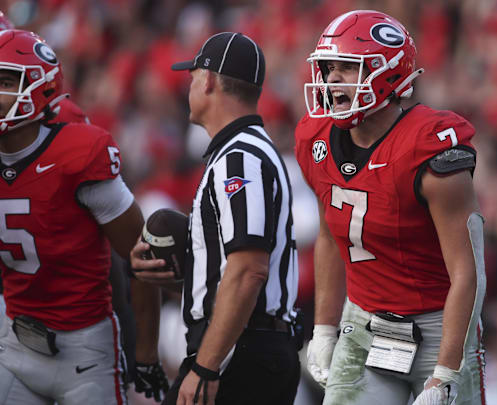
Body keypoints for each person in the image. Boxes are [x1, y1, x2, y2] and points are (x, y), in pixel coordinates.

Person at [296, 10, 486, 405]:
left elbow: (467, 271)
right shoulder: (315, 139)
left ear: (387, 75)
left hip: (438, 329)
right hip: (363, 325)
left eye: (346, 68)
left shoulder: (429, 147)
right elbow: (330, 239)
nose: (330, 79)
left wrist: (447, 372)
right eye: (328, 68)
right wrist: (324, 329)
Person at [130, 32, 300, 405]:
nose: (188, 86)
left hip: (241, 351)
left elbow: (250, 269)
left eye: (192, 77)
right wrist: (188, 279)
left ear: (207, 80)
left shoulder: (241, 157)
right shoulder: (241, 151)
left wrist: (207, 367)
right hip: (247, 344)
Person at [0, 29, 146, 404]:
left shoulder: (78, 150)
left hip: (84, 350)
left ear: (37, 87)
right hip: (14, 341)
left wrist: (146, 350)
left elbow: (142, 259)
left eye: (2, 81)